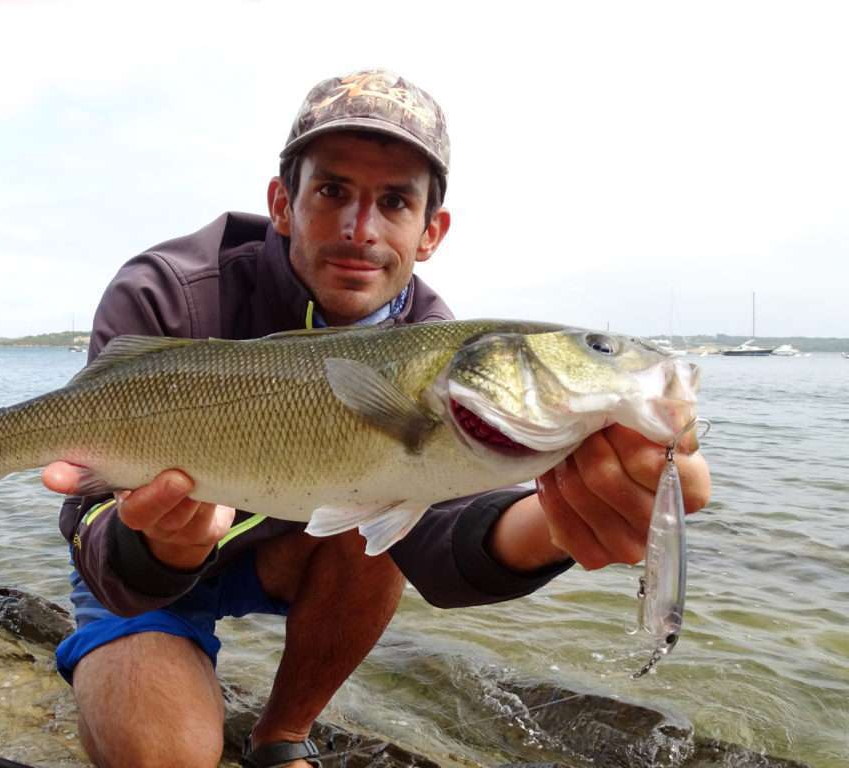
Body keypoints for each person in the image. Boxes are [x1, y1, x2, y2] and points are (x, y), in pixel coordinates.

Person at [43, 69, 711, 768]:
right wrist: (161, 547)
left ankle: (280, 737)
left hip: (294, 553)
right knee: (165, 760)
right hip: (140, 567)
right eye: (332, 191)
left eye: (395, 202)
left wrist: (560, 523)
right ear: (282, 203)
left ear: (430, 231)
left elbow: (438, 537)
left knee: (374, 531)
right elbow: (89, 519)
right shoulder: (168, 292)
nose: (360, 230)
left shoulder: (437, 342)